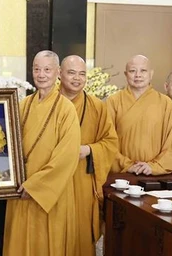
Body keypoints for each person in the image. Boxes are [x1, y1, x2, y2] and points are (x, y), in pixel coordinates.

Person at [3, 50, 81, 256]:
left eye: (47, 70)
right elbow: (8, 143)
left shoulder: (66, 109)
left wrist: (36, 185)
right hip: (20, 189)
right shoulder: (22, 105)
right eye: (37, 69)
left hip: (49, 195)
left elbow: (67, 156)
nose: (41, 74)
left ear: (58, 73)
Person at [59, 55, 118, 256]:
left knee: (80, 235)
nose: (77, 78)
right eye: (71, 72)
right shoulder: (48, 103)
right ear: (60, 73)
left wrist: (89, 150)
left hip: (82, 180)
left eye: (82, 74)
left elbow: (110, 142)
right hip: (52, 180)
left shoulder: (97, 106)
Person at [106, 55, 172, 176]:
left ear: (151, 74)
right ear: (126, 74)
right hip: (122, 175)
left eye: (143, 70)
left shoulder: (165, 102)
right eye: (132, 71)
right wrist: (127, 165)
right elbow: (106, 141)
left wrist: (153, 167)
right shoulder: (113, 101)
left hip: (155, 174)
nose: (138, 75)